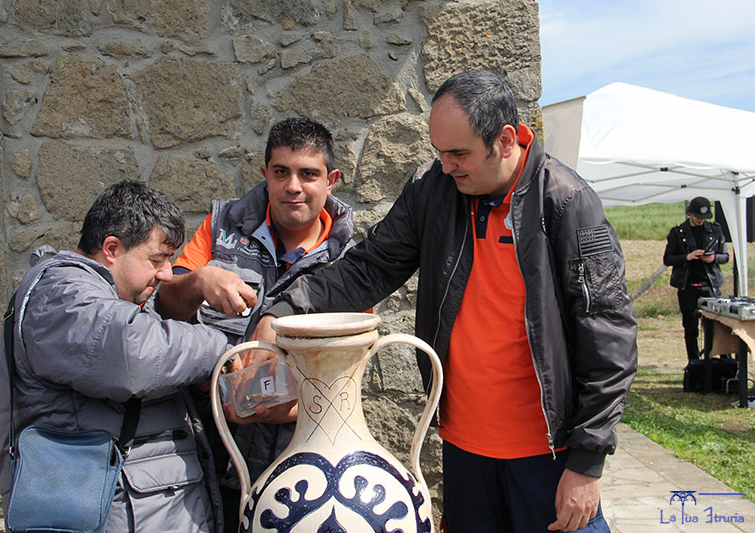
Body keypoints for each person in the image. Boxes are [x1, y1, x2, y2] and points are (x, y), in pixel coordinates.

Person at [254, 70, 638, 532]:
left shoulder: (568, 201)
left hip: (550, 456)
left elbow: (609, 336)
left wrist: (587, 462)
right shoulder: (432, 189)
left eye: (459, 153)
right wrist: (284, 310)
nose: (447, 165)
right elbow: (368, 267)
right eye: (439, 152)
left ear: (506, 140)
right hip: (465, 451)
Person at [155, 116, 354, 532]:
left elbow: (349, 379)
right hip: (208, 460)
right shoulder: (221, 226)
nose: (293, 186)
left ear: (331, 179)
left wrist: (258, 405)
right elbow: (165, 306)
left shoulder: (351, 262)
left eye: (308, 174)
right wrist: (198, 279)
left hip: (305, 473)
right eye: (281, 172)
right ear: (265, 174)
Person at [0, 180, 229, 532]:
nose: (166, 273)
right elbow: (133, 354)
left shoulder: (115, 300)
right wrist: (222, 348)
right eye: (156, 259)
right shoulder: (59, 294)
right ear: (111, 249)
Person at [663, 196, 728, 361]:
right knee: (690, 327)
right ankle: (694, 362)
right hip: (687, 286)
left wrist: (713, 258)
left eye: (704, 218)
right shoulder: (677, 233)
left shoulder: (715, 230)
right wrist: (687, 257)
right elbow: (668, 259)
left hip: (710, 285)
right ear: (689, 213)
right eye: (698, 217)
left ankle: (714, 359)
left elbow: (725, 256)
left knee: (713, 326)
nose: (701, 221)